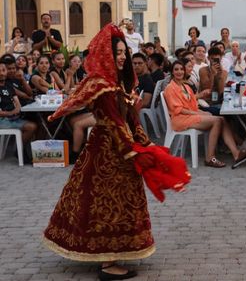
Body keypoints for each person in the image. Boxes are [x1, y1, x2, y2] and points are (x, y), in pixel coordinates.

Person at [43, 24, 190, 280]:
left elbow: (130, 120)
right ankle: (107, 263)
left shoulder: (115, 83)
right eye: (117, 52)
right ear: (105, 54)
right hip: (108, 153)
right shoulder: (103, 86)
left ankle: (108, 252)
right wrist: (132, 150)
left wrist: (145, 144)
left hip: (116, 148)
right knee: (106, 203)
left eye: (124, 52)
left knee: (111, 202)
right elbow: (114, 122)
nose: (122, 57)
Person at [164, 60, 246, 168]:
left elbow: (193, 105)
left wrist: (203, 112)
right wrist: (197, 114)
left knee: (221, 118)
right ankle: (210, 158)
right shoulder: (170, 88)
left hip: (189, 115)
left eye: (181, 69)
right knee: (217, 121)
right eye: (176, 69)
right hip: (180, 119)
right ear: (172, 72)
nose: (179, 72)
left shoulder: (185, 86)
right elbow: (179, 110)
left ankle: (236, 153)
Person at [0, 59, 37, 157]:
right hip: (2, 120)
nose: (1, 73)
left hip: (13, 118)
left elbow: (17, 102)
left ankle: (19, 150)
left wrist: (16, 110)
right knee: (31, 126)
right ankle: (20, 151)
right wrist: (11, 113)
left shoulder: (8, 85)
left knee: (33, 125)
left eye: (3, 70)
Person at [198, 47, 227, 115]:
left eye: (217, 59)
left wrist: (220, 74)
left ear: (221, 58)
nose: (214, 61)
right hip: (207, 103)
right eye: (212, 59)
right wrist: (212, 74)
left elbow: (221, 91)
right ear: (208, 58)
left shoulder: (224, 72)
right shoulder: (203, 70)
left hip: (219, 101)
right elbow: (207, 90)